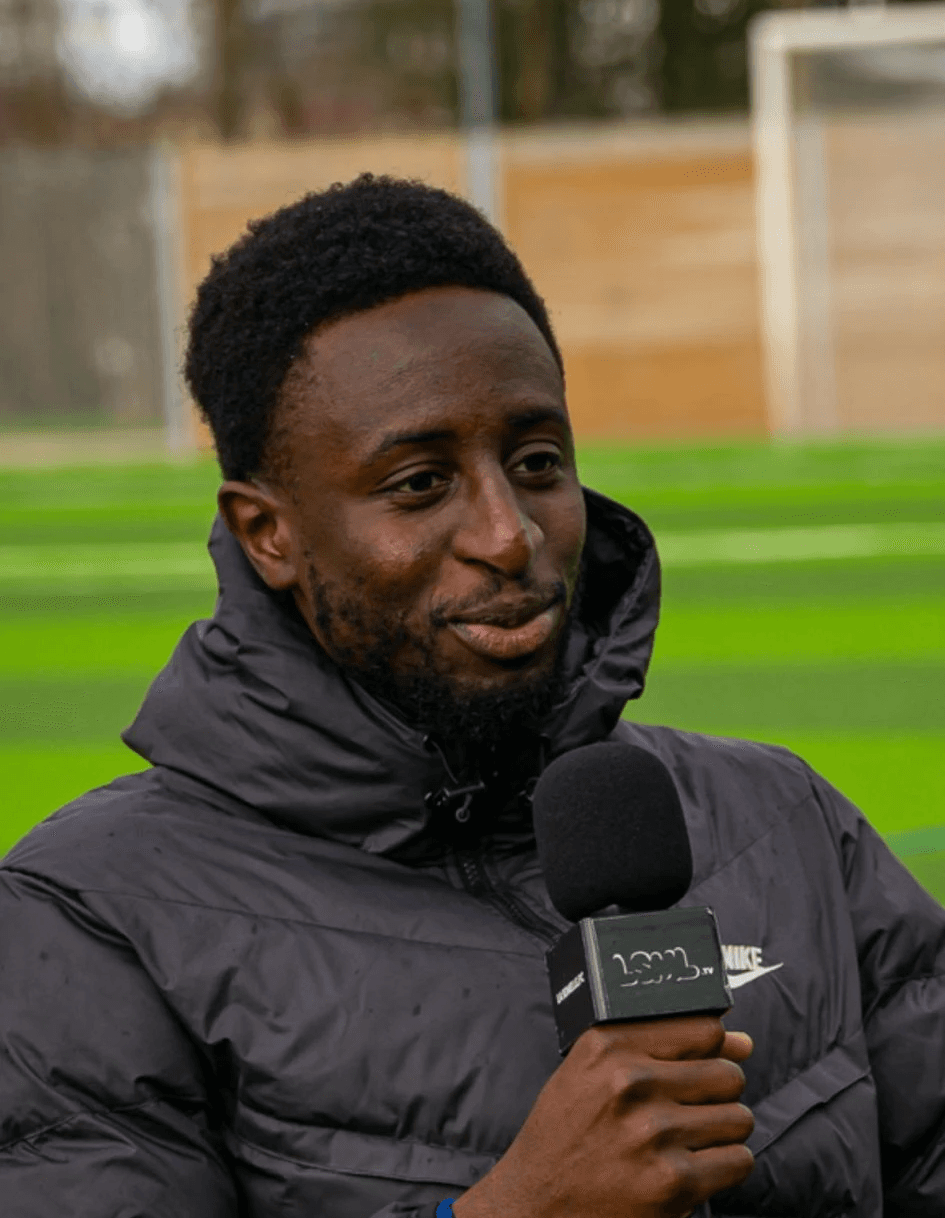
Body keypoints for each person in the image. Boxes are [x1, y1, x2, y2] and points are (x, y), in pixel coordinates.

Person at [1, 174, 943, 1218]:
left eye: (536, 461)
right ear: (268, 533)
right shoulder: (90, 915)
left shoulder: (779, 818)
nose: (509, 534)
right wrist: (516, 1210)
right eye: (419, 483)